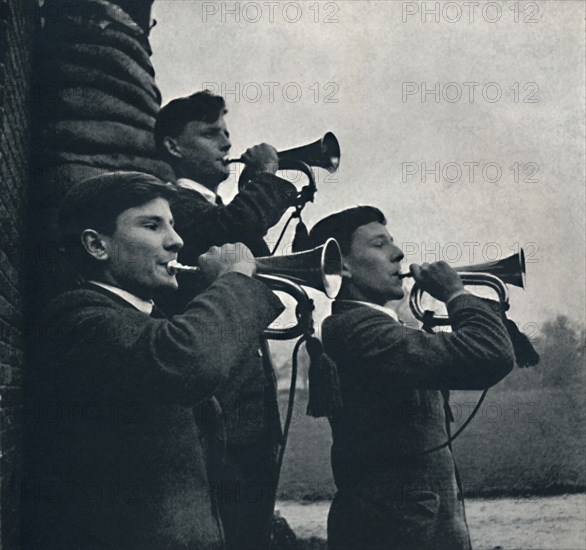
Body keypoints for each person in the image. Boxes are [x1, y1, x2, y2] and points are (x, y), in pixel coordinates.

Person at [23, 171, 285, 550]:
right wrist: (236, 281)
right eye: (152, 225)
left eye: (173, 225)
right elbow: (187, 361)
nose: (177, 241)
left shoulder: (147, 322)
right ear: (97, 246)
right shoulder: (78, 319)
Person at [308, 206, 516, 550]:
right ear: (340, 265)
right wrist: (456, 294)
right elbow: (491, 354)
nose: (398, 253)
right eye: (379, 244)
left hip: (417, 525)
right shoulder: (358, 330)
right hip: (395, 530)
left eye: (392, 241)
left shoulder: (379, 327)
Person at [155, 91, 298, 549]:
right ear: (173, 146)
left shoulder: (219, 210)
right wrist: (266, 179)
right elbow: (230, 231)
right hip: (217, 409)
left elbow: (250, 251)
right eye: (210, 132)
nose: (225, 142)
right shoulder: (173, 205)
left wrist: (253, 189)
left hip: (248, 409)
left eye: (227, 132)